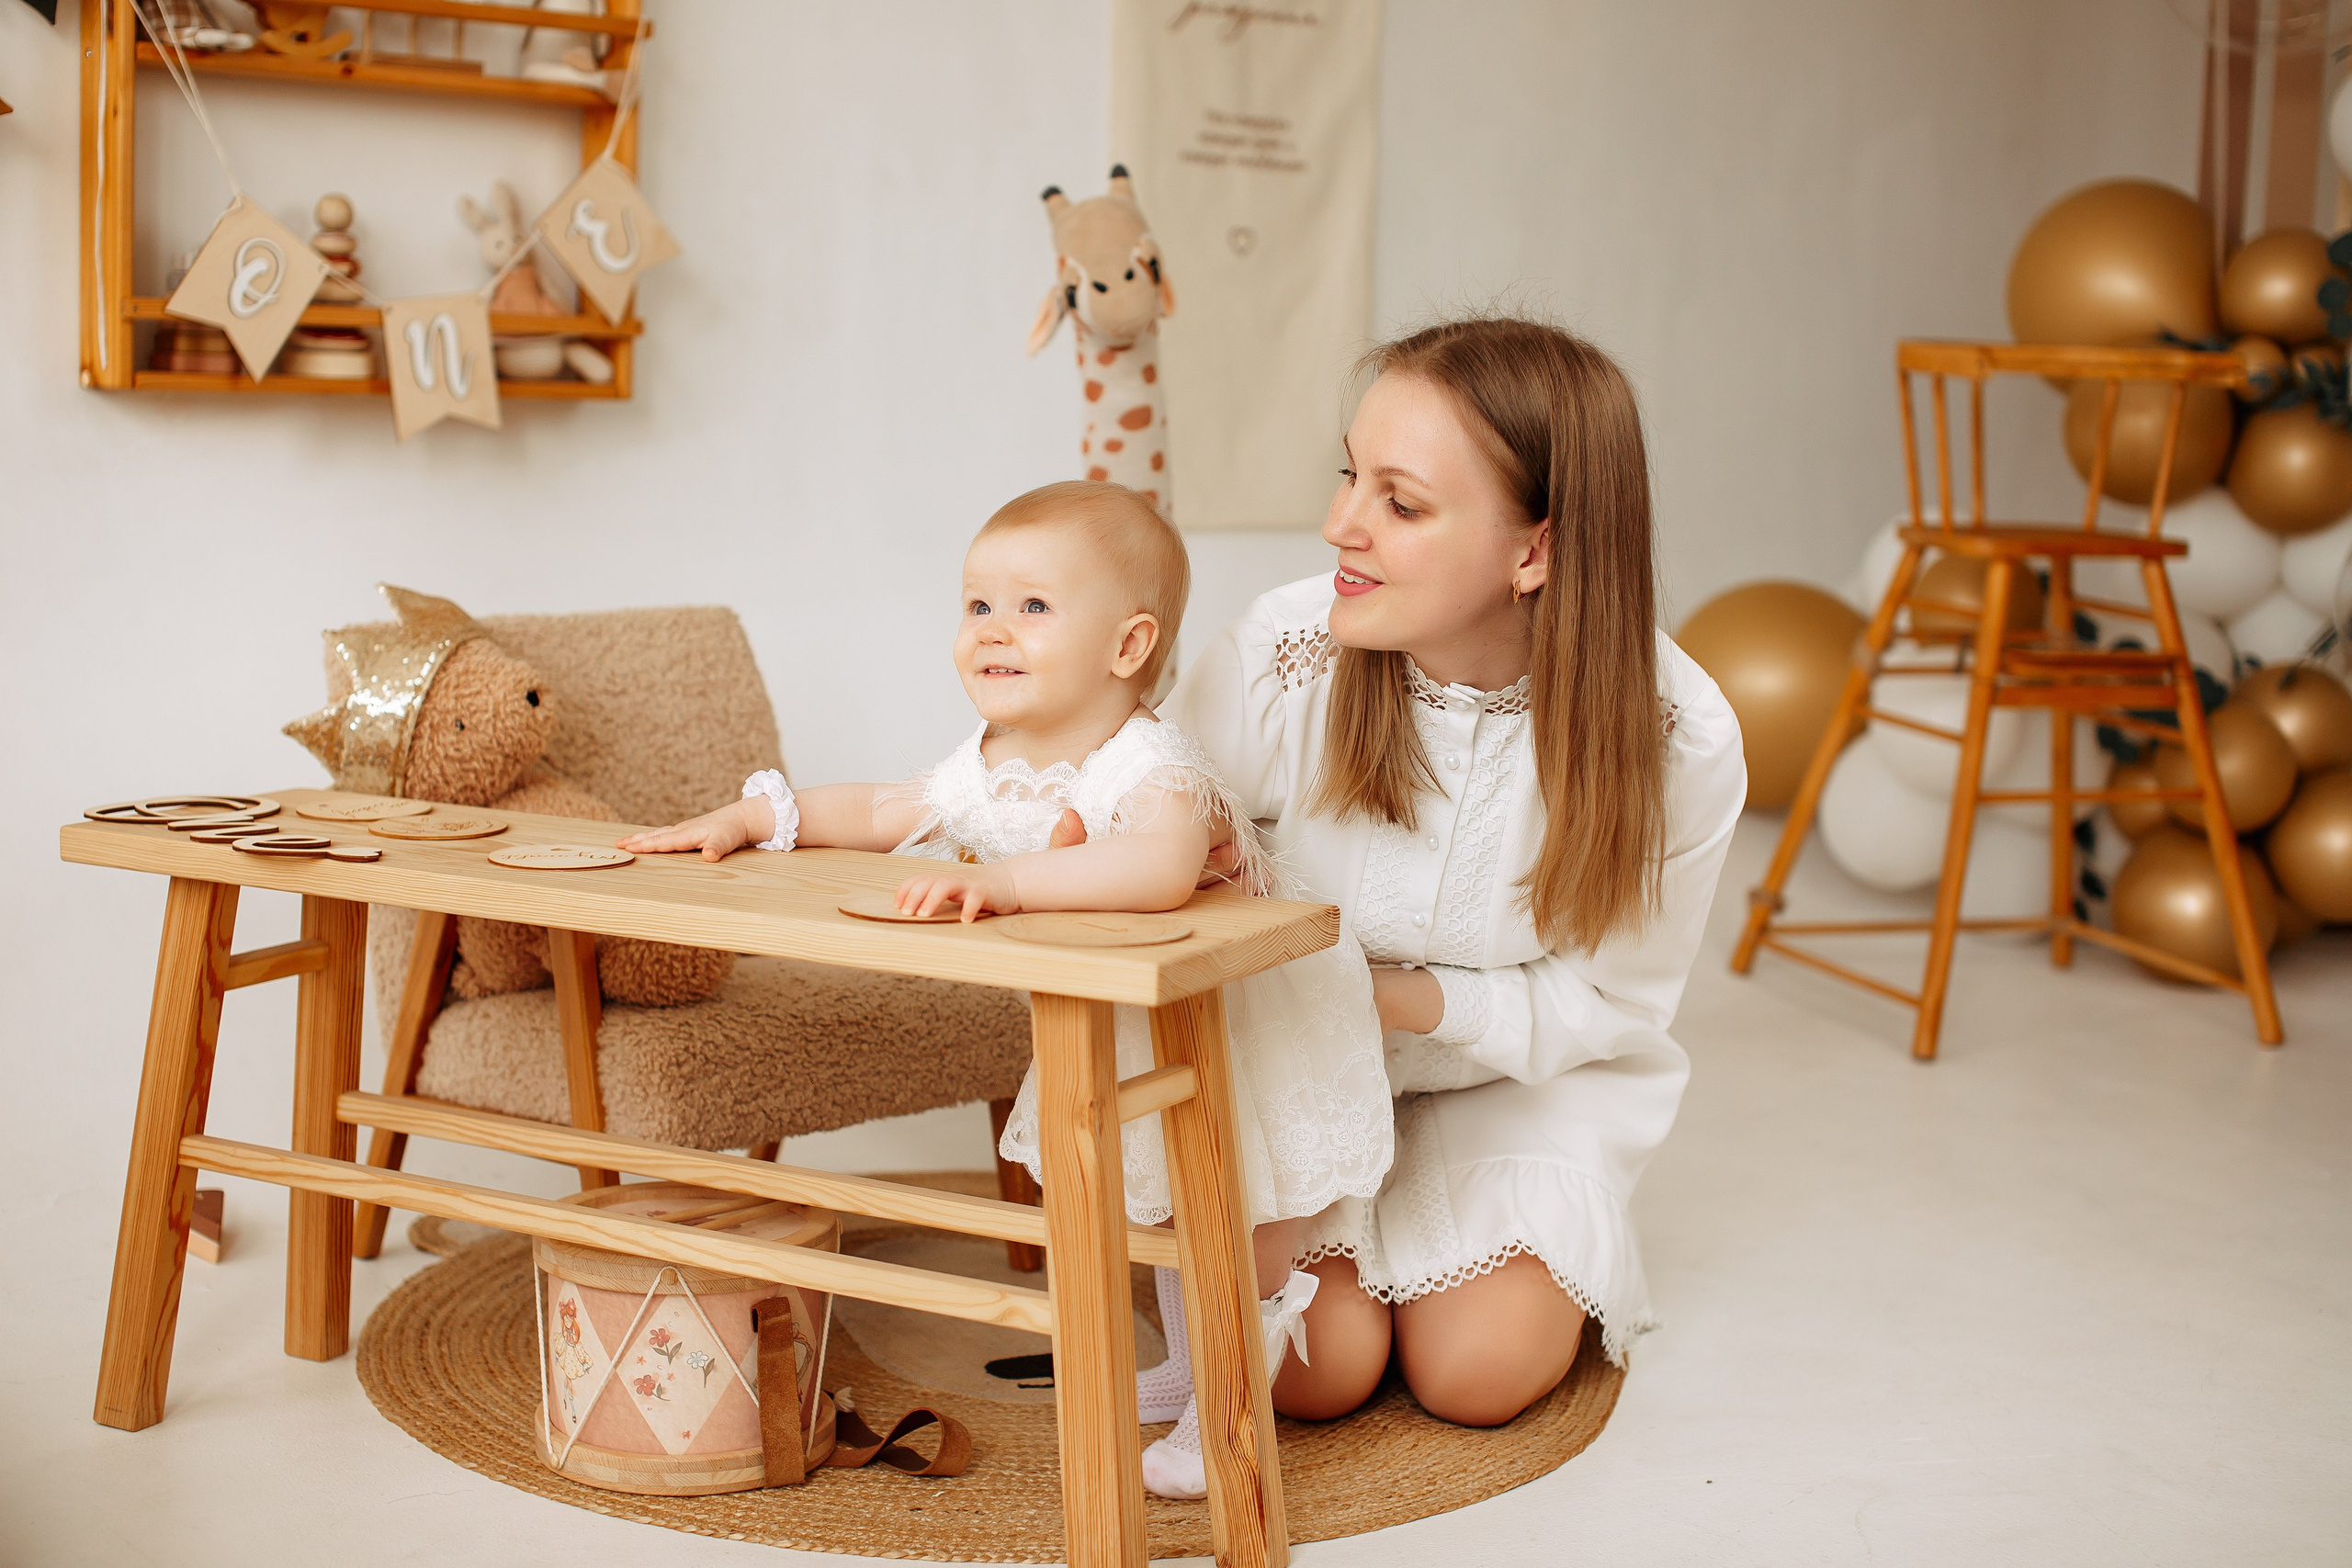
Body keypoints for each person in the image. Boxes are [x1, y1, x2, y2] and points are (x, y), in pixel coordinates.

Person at [618, 479, 1392, 1495]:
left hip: (1254, 1025)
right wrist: (755, 818)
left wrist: (1006, 881)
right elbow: (886, 805)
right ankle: (1179, 1369)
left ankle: (1226, 1409)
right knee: (1159, 1202)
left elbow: (1159, 866)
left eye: (1032, 607)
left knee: (1235, 1225)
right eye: (977, 604)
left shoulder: (1143, 763)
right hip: (1147, 1026)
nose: (993, 630)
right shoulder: (990, 763)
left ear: (1125, 649)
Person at [1159, 314, 1746, 1426]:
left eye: (1401, 502)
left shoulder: (1681, 741)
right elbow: (1154, 857)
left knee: (1473, 1379)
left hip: (1516, 1091)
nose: (1339, 526)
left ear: (1536, 550)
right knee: (1313, 1376)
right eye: (1349, 478)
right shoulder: (1282, 659)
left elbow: (1613, 1001)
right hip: (1297, 1080)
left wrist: (1390, 997)